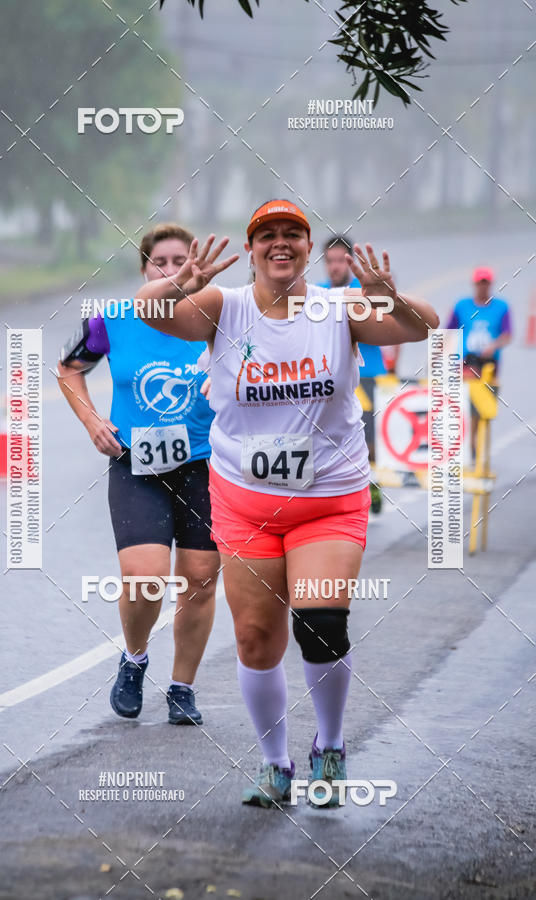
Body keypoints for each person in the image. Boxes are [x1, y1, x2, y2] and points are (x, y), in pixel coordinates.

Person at [132, 199, 439, 808]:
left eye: (292, 234)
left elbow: (421, 326)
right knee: (254, 638)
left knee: (320, 623)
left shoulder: (338, 307)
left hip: (328, 498)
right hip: (244, 502)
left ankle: (331, 746)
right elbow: (149, 310)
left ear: (306, 246)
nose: (280, 243)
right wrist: (179, 282)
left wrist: (388, 297)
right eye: (267, 235)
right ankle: (276, 765)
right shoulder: (224, 307)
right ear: (250, 250)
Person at [56, 223, 220, 726]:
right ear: (144, 269)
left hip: (206, 465)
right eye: (160, 263)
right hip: (137, 465)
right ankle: (134, 658)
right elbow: (68, 367)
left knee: (199, 580)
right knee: (146, 579)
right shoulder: (114, 319)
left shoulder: (220, 315)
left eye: (180, 261)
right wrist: (92, 421)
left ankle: (182, 687)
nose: (171, 271)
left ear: (196, 265)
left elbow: (258, 364)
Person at [321, 234, 386, 513]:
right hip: (332, 379)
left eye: (340, 261)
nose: (334, 267)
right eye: (330, 261)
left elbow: (388, 322)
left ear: (350, 262)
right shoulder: (317, 293)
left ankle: (374, 484)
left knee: (369, 439)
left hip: (368, 373)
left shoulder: (365, 290)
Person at [446, 266, 512, 457]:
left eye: (486, 283)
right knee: (463, 400)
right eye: (480, 283)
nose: (483, 287)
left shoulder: (501, 307)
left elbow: (507, 335)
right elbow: (449, 331)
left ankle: (473, 442)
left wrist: (494, 345)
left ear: (490, 284)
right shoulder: (462, 306)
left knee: (480, 406)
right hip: (467, 361)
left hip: (489, 363)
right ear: (474, 284)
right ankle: (463, 442)